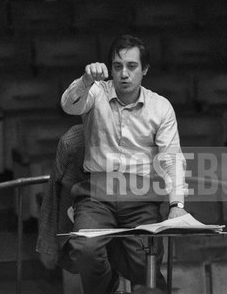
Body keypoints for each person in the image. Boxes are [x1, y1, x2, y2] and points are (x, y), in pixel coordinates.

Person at [60, 34, 188, 293]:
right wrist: (85, 80)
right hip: (96, 193)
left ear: (145, 70)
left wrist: (177, 205)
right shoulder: (95, 92)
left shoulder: (160, 107)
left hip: (140, 195)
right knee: (84, 248)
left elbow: (171, 158)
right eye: (117, 66)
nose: (124, 74)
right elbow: (67, 105)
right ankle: (112, 288)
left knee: (145, 264)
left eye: (132, 66)